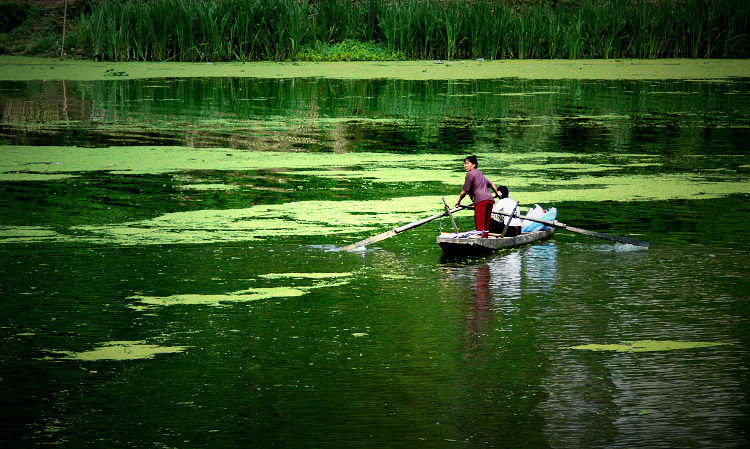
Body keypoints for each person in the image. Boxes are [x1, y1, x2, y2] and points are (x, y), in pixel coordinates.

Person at [455, 155, 500, 238]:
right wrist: (497, 194)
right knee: (486, 223)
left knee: (480, 223)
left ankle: (481, 241)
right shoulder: (480, 173)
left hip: (481, 200)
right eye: (464, 164)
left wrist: (458, 201)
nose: (465, 165)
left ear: (474, 164)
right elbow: (492, 185)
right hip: (490, 200)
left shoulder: (470, 174)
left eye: (467, 163)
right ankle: (485, 239)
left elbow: (464, 191)